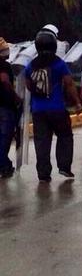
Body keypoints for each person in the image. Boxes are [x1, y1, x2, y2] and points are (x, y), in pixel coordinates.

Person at [25, 29, 81, 182]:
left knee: (42, 141)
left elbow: (28, 85)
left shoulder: (31, 65)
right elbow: (69, 84)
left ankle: (43, 173)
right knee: (65, 136)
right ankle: (64, 167)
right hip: (57, 109)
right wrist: (76, 102)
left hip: (38, 110)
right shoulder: (59, 63)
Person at [0, 38, 20, 178]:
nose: (8, 51)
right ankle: (4, 165)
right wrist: (16, 97)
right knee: (5, 137)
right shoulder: (3, 65)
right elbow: (5, 81)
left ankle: (5, 164)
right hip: (5, 106)